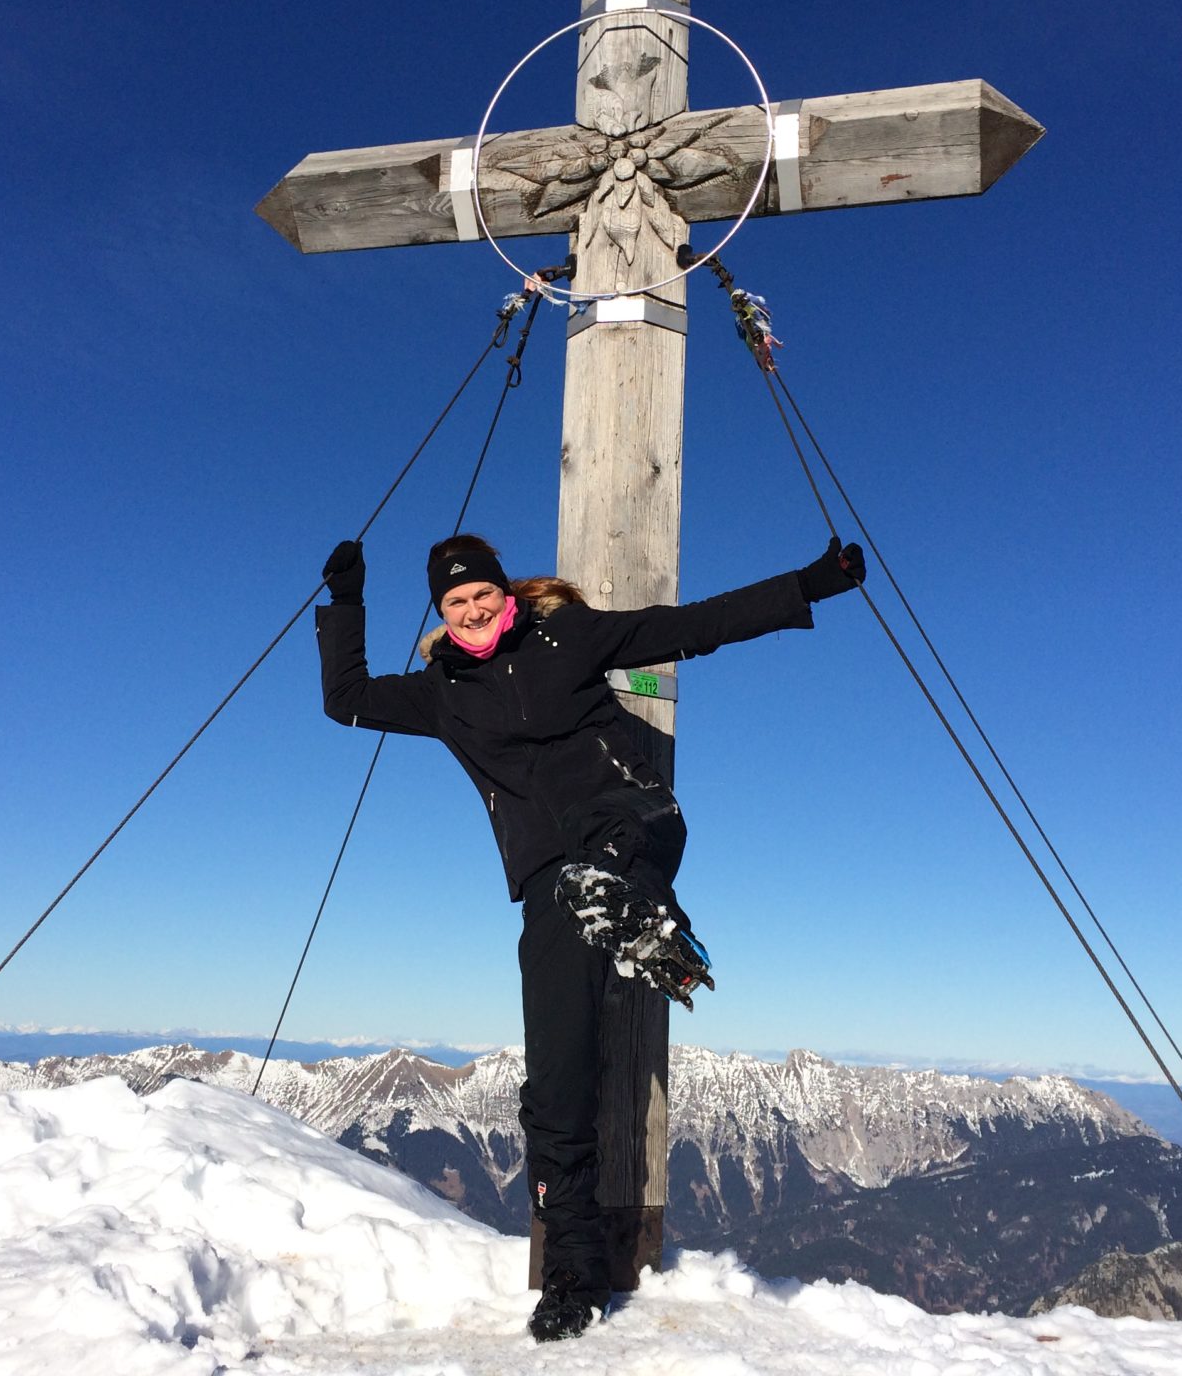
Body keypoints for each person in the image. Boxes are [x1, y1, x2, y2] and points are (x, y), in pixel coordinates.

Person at [316, 531, 865, 1342]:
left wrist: (812, 584)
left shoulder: (568, 635)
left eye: (484, 596)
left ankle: (642, 914)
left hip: (631, 820)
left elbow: (692, 624)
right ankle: (571, 1271)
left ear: (507, 596)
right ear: (441, 613)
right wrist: (347, 603)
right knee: (557, 1079)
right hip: (548, 879)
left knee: (601, 873)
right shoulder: (441, 694)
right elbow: (348, 699)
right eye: (455, 602)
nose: (472, 610)